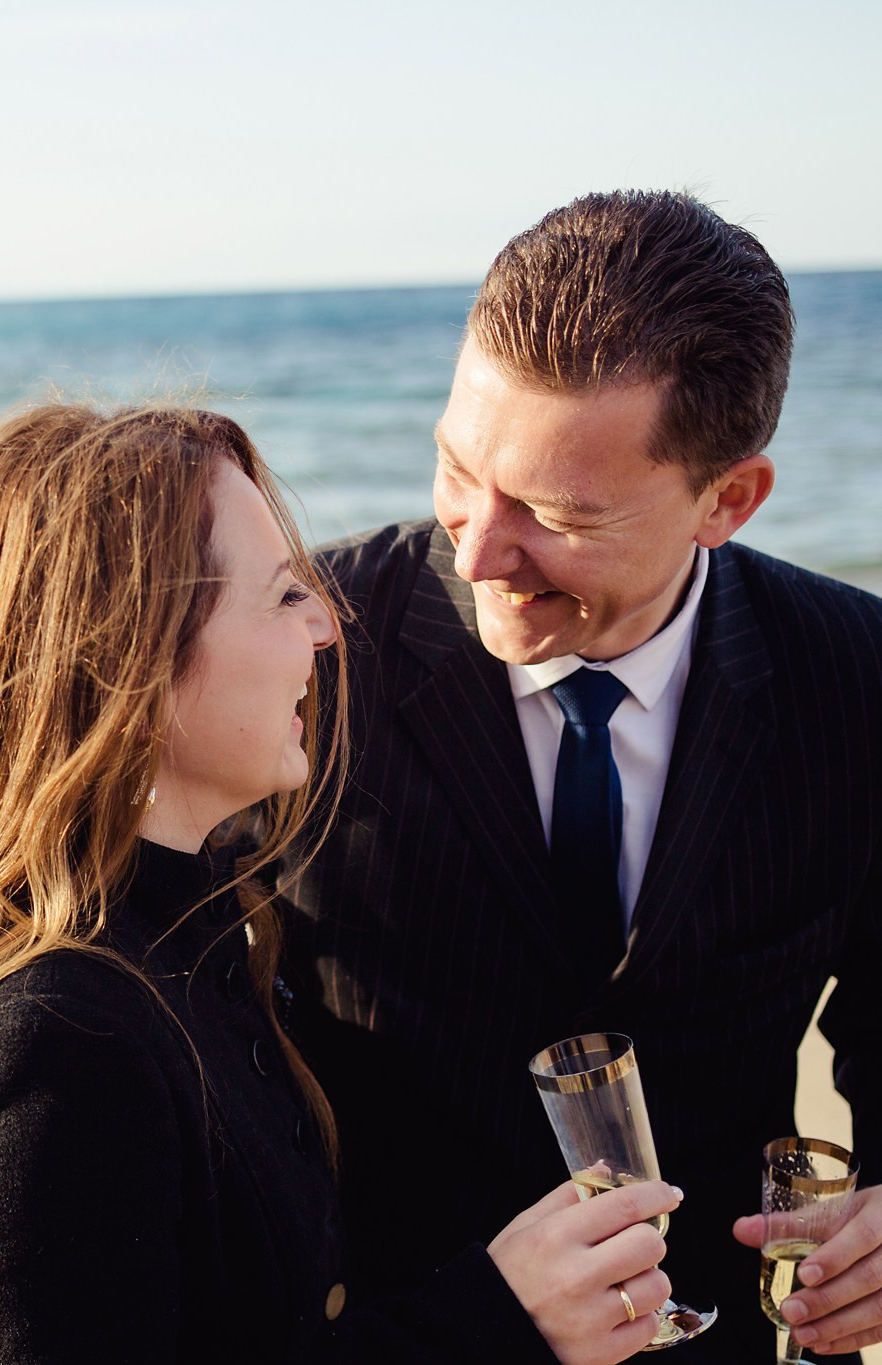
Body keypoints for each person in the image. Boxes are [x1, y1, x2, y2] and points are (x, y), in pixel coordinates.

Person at [0, 403, 682, 1364]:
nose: (329, 629)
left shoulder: (185, 933)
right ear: (131, 653)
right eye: (287, 596)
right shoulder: (46, 1042)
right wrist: (497, 1321)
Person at [285, 190, 882, 1365]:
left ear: (727, 500)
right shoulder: (300, 654)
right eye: (459, 468)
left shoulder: (855, 680)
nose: (473, 551)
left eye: (553, 513)